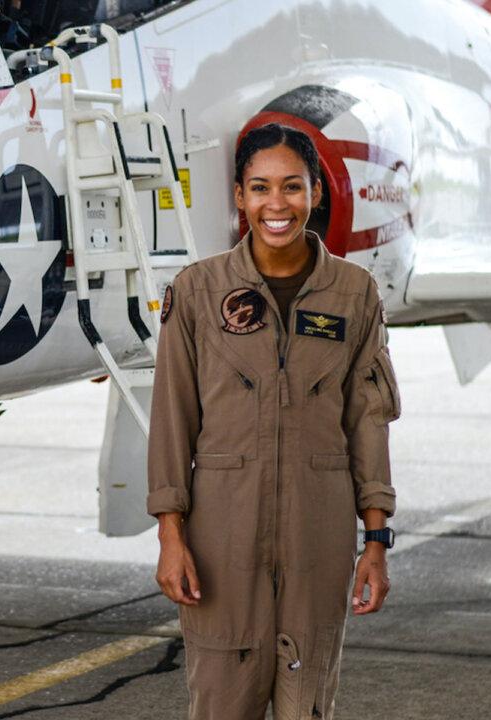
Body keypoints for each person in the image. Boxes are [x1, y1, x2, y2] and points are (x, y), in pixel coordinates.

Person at [147, 122, 400, 720]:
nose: (276, 205)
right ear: (239, 196)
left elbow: (369, 421)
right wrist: (170, 535)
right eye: (260, 188)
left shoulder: (354, 295)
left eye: (292, 187)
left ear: (315, 192)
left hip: (319, 536)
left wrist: (377, 540)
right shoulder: (197, 292)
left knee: (308, 704)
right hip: (221, 542)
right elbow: (171, 421)